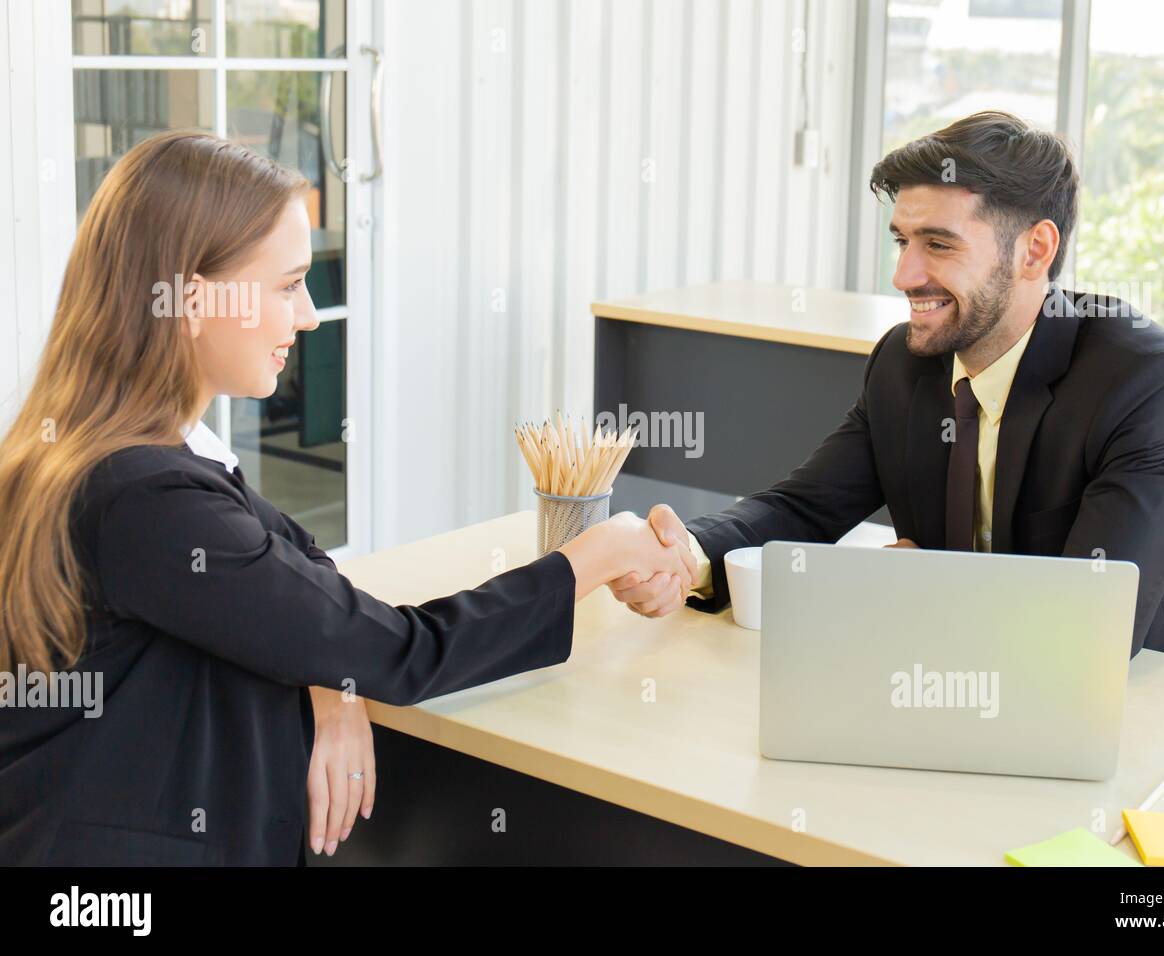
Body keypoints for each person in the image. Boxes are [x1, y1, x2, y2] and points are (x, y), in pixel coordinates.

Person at [0, 131, 693, 865]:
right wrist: (597, 553)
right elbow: (404, 652)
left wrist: (333, 684)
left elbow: (299, 577)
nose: (306, 317)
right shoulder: (149, 499)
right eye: (288, 284)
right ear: (196, 299)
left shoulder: (106, 452)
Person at [611, 111, 1164, 667]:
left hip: (1139, 706)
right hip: (950, 679)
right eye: (903, 241)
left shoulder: (1146, 385)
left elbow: (1093, 622)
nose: (903, 274)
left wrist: (922, 589)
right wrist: (685, 556)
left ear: (1034, 250)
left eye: (938, 244)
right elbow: (803, 509)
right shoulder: (904, 365)